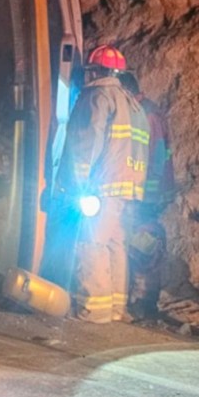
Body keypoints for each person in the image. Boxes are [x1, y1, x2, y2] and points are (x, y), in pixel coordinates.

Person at [56, 44, 150, 323]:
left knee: (91, 243)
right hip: (128, 190)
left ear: (96, 71)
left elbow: (86, 143)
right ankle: (117, 308)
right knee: (115, 245)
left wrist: (78, 184)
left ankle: (94, 311)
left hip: (101, 187)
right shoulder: (133, 105)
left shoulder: (97, 97)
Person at [119, 71, 175, 321]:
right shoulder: (142, 110)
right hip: (147, 191)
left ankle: (146, 302)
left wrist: (143, 193)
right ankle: (140, 299)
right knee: (141, 244)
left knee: (145, 246)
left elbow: (155, 157)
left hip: (149, 193)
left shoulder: (146, 114)